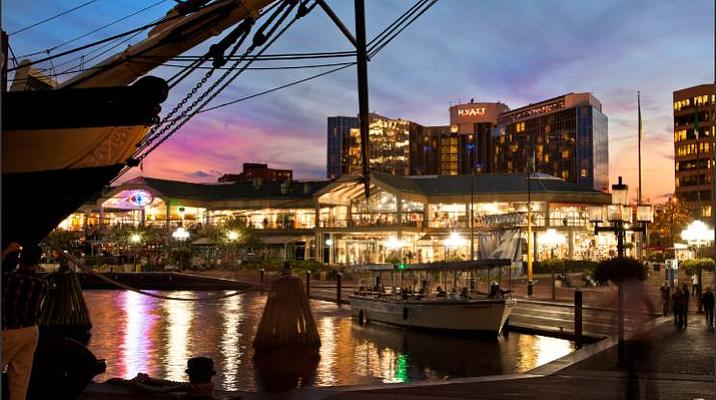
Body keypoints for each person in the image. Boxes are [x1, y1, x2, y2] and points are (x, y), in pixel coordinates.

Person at [2, 243, 50, 400]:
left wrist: (6, 252)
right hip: (31, 331)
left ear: (20, 259)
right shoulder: (42, 284)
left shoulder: (8, 278)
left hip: (8, 330)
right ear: (37, 262)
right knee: (19, 380)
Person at [106, 356, 216, 398]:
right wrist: (148, 379)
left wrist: (135, 383)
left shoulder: (190, 387)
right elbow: (172, 384)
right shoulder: (206, 389)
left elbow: (158, 390)